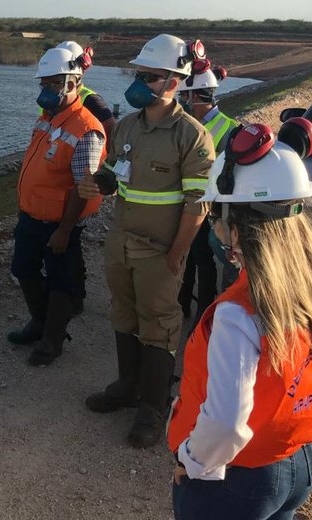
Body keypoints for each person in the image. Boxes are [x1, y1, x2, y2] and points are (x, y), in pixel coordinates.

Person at [167, 119, 312, 520]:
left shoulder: (238, 315)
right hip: (300, 462)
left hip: (237, 479)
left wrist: (191, 458)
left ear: (239, 227)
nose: (216, 228)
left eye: (218, 217)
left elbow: (224, 424)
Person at [79, 35, 215, 448]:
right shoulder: (128, 126)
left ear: (175, 80)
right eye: (139, 75)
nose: (140, 84)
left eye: (150, 77)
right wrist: (98, 183)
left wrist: (178, 252)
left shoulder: (190, 136)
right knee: (123, 312)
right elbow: (118, 172)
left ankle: (153, 409)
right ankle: (127, 385)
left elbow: (198, 203)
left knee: (159, 326)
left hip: (160, 250)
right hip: (122, 241)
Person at [7, 47, 106, 366]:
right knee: (23, 268)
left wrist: (64, 231)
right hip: (31, 215)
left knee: (62, 281)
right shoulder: (47, 118)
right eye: (44, 84)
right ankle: (39, 321)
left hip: (60, 223)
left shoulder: (85, 128)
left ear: (73, 82)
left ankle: (52, 340)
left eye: (53, 84)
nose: (46, 90)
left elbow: (83, 185)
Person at [55, 40, 117, 315]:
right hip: (59, 171)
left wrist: (103, 163)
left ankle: (75, 296)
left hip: (79, 175)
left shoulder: (90, 98)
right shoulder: (57, 96)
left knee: (72, 240)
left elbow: (111, 129)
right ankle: (68, 293)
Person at [176, 61, 241, 322]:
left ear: (195, 95)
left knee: (203, 260)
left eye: (184, 96)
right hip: (184, 202)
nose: (182, 101)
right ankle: (181, 306)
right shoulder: (186, 124)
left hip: (209, 210)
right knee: (186, 259)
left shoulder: (229, 129)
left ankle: (203, 314)